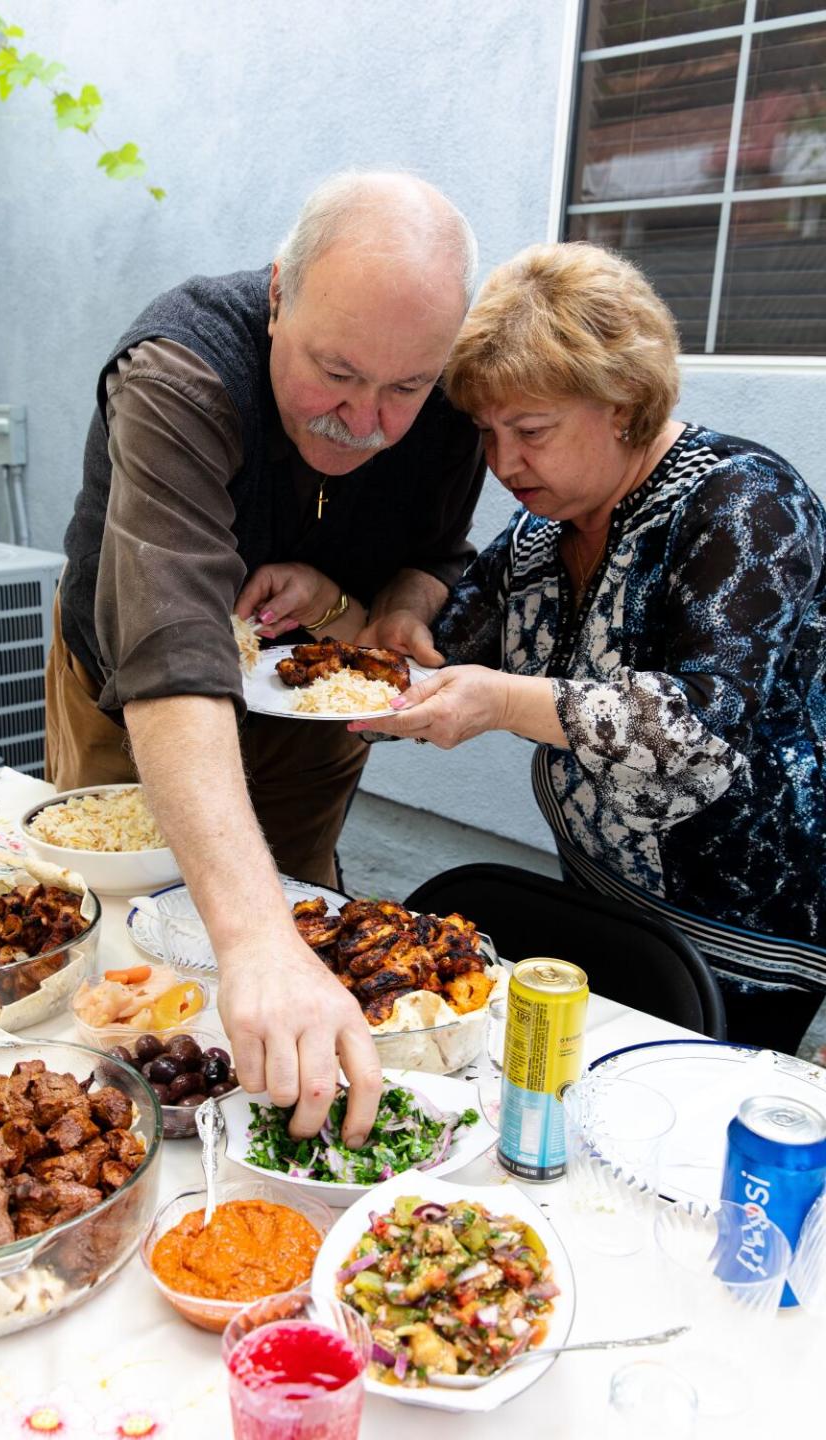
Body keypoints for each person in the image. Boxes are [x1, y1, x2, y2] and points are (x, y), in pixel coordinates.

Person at [46, 171, 486, 1142]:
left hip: (306, 705)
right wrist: (255, 939)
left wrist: (402, 609)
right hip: (136, 698)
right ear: (279, 294)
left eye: (404, 389)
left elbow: (438, 554)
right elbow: (169, 654)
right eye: (335, 372)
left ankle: (265, 1111)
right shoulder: (182, 366)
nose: (364, 419)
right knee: (125, 919)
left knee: (299, 906)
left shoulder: (453, 384)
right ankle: (119, 1106)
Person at [352, 241, 826, 1054]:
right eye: (486, 433)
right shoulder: (545, 530)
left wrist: (500, 701)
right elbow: (438, 649)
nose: (503, 463)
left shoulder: (745, 502)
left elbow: (699, 734)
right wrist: (343, 622)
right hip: (602, 903)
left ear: (625, 403)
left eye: (530, 429)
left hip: (748, 936)